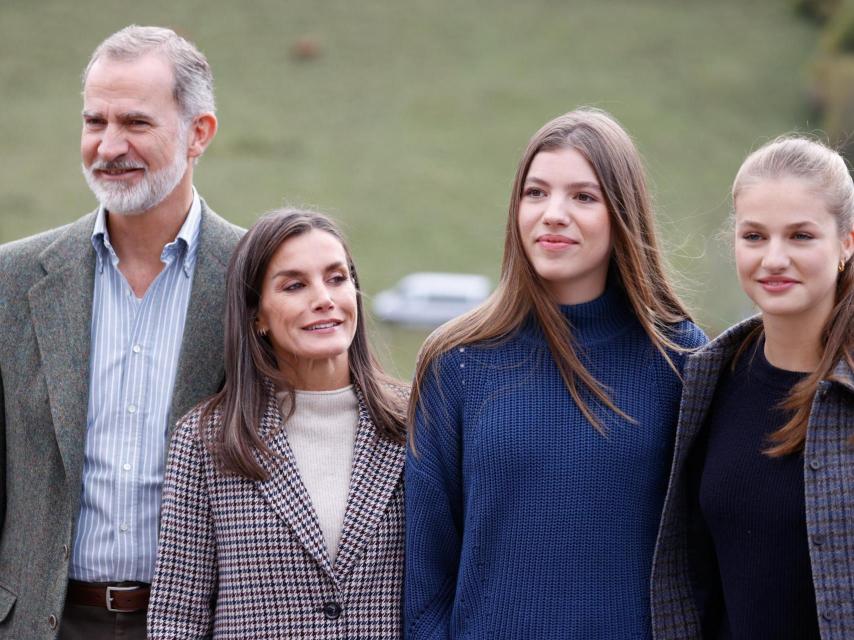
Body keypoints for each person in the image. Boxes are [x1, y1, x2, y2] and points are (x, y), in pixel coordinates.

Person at [404, 107, 707, 639]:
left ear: (623, 213)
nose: (553, 214)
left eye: (583, 197)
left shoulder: (680, 359)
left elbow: (703, 561)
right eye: (536, 192)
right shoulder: (457, 361)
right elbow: (425, 578)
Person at [0, 25, 241, 640]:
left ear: (199, 133)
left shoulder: (254, 275)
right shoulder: (13, 279)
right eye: (94, 122)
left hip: (202, 622)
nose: (109, 146)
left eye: (135, 123)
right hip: (39, 623)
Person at [147, 209, 407, 639]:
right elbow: (178, 617)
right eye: (295, 285)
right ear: (258, 317)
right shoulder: (206, 439)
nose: (323, 297)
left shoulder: (418, 420)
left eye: (337, 278)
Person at [651, 136, 854, 639]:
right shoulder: (705, 381)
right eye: (755, 236)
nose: (774, 259)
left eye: (801, 236)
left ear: (847, 243)